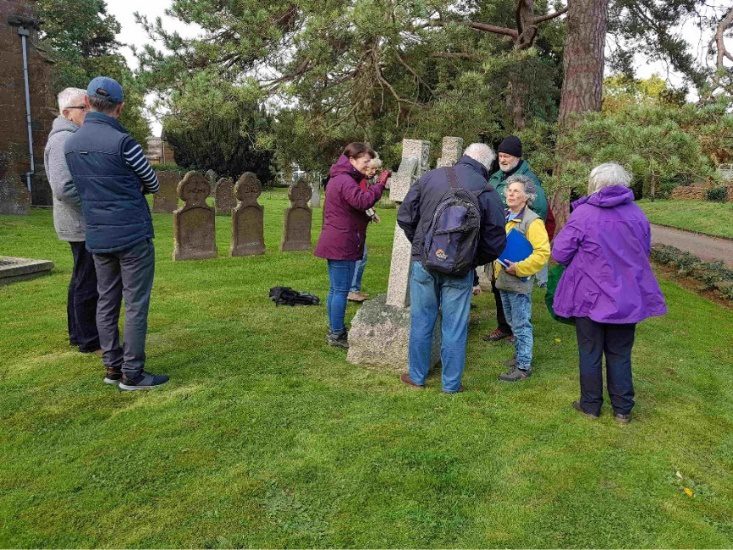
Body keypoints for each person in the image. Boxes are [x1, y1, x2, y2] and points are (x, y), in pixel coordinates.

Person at [64, 76, 167, 391]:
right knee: (135, 302)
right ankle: (133, 373)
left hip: (97, 235)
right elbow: (153, 183)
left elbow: (80, 188)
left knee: (106, 300)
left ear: (90, 103)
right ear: (119, 108)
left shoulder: (71, 144)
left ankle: (112, 366)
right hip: (132, 235)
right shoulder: (124, 143)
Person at [552, 162, 667, 423]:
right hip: (627, 295)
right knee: (620, 352)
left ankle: (591, 406)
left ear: (594, 184)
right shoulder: (637, 214)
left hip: (589, 295)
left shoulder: (584, 215)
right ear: (623, 184)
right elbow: (643, 251)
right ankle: (622, 410)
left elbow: (559, 253)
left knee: (590, 351)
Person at [397, 143, 506, 393]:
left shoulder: (430, 178)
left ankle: (417, 376)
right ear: (487, 166)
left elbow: (405, 216)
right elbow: (496, 240)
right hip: (460, 269)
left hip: (424, 264)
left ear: (463, 156)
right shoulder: (487, 190)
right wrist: (470, 259)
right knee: (455, 326)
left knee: (422, 319)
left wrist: (423, 247)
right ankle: (451, 384)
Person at [314, 143, 390, 349]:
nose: (368, 166)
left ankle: (335, 329)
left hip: (338, 238)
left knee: (336, 290)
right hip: (342, 240)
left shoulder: (341, 178)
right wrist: (380, 184)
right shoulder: (345, 180)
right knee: (341, 290)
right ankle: (337, 334)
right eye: (365, 162)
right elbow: (362, 200)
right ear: (352, 160)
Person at [44, 87, 101, 355]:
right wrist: (98, 201)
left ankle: (78, 333)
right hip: (80, 223)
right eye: (84, 108)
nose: (89, 112)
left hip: (82, 221)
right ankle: (89, 338)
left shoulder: (72, 136)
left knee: (82, 277)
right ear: (67, 113)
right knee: (88, 280)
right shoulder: (62, 140)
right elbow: (65, 188)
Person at [484, 135, 549, 342]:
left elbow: (539, 208)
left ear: (517, 157)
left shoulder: (528, 179)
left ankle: (517, 328)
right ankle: (504, 326)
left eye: (507, 156)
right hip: (496, 238)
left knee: (516, 287)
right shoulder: (495, 177)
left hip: (515, 239)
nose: (502, 159)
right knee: (497, 282)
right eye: (501, 155)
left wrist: (519, 226)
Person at [493, 175, 550, 382]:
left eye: (516, 191)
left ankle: (523, 366)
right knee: (511, 321)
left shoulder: (532, 221)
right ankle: (519, 355)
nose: (510, 194)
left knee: (521, 324)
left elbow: (542, 253)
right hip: (504, 279)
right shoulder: (507, 216)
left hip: (519, 279)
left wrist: (520, 268)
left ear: (527, 197)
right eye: (509, 190)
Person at [348, 156, 383, 303]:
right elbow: (363, 202)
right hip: (354, 226)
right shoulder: (360, 181)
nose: (374, 172)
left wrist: (372, 214)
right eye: (372, 168)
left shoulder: (361, 180)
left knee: (359, 257)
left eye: (376, 169)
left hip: (357, 226)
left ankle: (352, 289)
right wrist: (372, 213)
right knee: (360, 257)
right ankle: (352, 290)